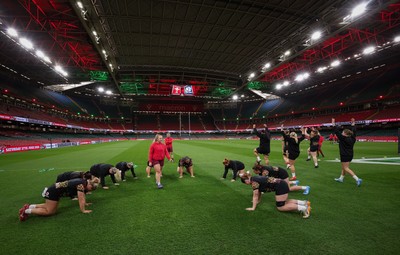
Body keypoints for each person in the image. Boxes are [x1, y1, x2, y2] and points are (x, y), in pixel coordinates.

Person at [18, 177, 99, 221]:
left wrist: (85, 203)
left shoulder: (83, 181)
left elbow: (82, 196)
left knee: (48, 206)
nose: (88, 190)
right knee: (49, 211)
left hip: (54, 189)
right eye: (90, 189)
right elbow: (80, 197)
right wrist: (83, 210)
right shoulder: (81, 184)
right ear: (90, 185)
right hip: (53, 191)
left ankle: (30, 206)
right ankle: (25, 211)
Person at [239, 172, 311, 218]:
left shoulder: (254, 182)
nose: (246, 184)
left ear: (246, 181)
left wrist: (253, 208)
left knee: (280, 207)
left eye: (245, 183)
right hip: (281, 184)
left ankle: (304, 208)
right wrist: (258, 201)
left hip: (280, 186)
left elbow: (255, 195)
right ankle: (304, 203)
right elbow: (259, 192)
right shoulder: (254, 178)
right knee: (284, 202)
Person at [332, 118, 362, 186]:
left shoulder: (343, 138)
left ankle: (357, 179)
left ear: (345, 134)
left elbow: (336, 131)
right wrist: (353, 124)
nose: (342, 133)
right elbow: (354, 131)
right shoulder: (353, 138)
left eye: (342, 132)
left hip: (344, 155)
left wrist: (333, 123)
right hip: (350, 154)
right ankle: (341, 178)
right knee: (344, 167)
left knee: (346, 168)